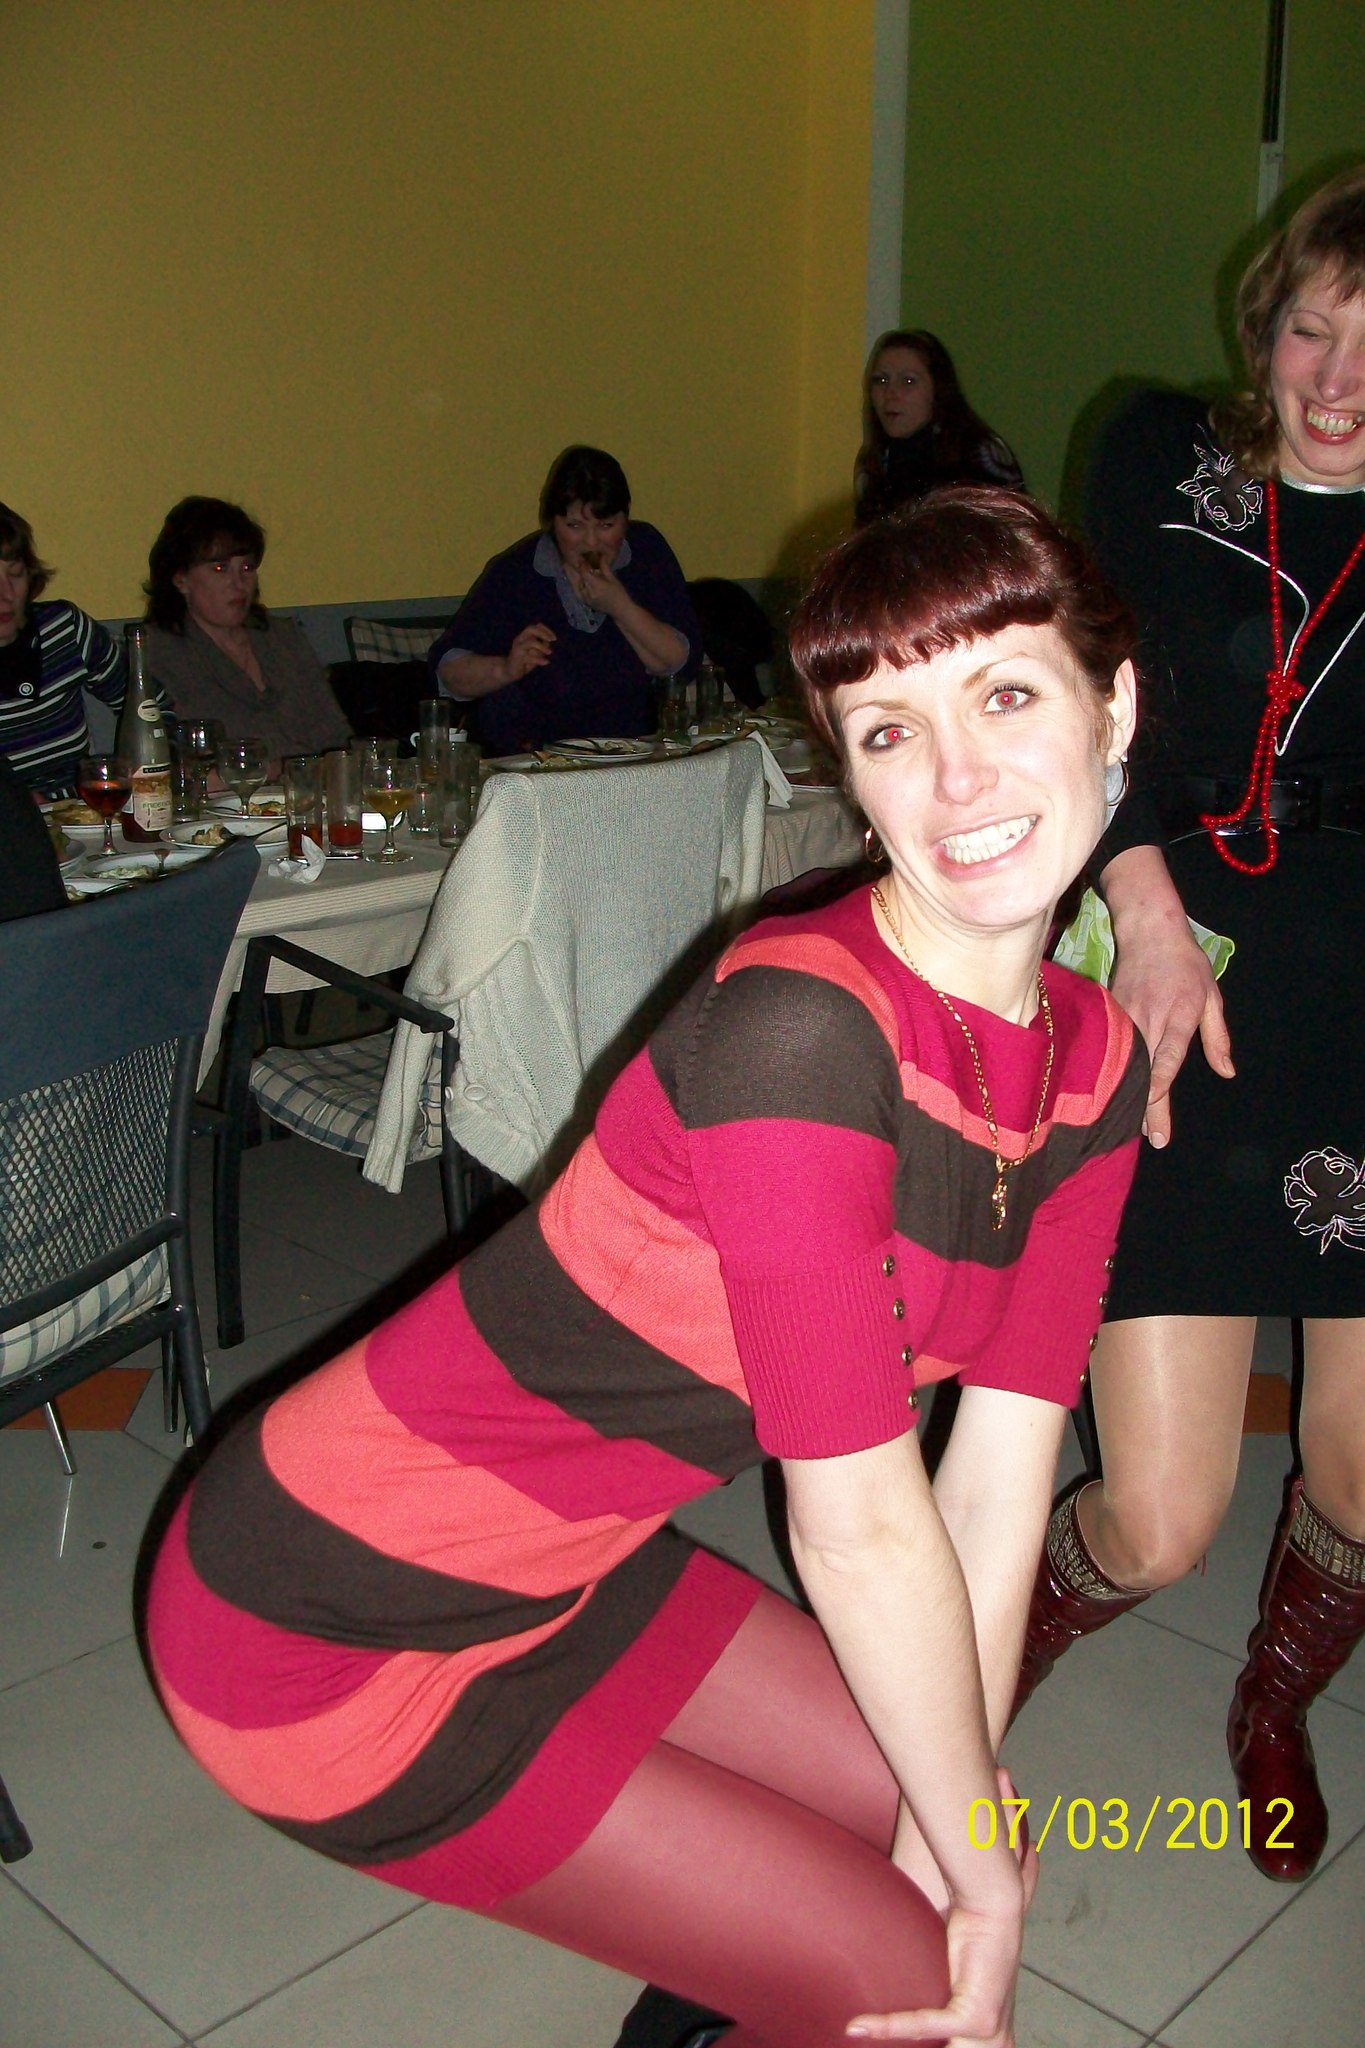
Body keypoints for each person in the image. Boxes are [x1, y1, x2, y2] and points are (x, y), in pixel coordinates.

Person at [146, 489, 1144, 2048]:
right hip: (320, 1614)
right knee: (907, 1976)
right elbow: (860, 1534)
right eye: (889, 731)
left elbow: (996, 1485)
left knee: (952, 1823)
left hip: (568, 1567)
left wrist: (964, 1833)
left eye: (1006, 696)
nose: (957, 778)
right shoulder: (799, 1033)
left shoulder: (1097, 1063)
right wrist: (965, 1875)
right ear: (847, 773)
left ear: (1113, 705)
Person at [1013, 164, 1365, 1886]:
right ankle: (971, 1656)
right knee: (1156, 1514)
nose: (1339, 380)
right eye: (1313, 329)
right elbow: (1088, 712)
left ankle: (1274, 1700)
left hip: (1357, 1003)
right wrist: (1145, 915)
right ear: (1263, 324)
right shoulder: (1161, 456)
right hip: (1179, 968)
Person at [430, 445, 701, 754]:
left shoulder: (646, 552)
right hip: (540, 757)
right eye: (574, 526)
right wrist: (506, 668)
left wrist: (619, 605)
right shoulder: (517, 574)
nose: (591, 541)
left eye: (606, 525)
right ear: (552, 522)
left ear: (626, 518)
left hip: (633, 751)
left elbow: (680, 663)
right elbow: (448, 672)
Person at [142, 497, 350, 760]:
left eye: (247, 567)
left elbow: (336, 735)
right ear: (181, 579)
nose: (238, 583)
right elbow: (171, 761)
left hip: (315, 782)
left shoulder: (283, 637)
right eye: (220, 568)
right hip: (230, 787)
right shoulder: (160, 652)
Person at [0, 502, 126, 795]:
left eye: (15, 573)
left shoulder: (63, 629)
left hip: (84, 812)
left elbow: (149, 707)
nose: (5, 594)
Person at [854, 330, 1025, 526]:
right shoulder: (875, 461)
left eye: (908, 381)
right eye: (881, 380)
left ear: (938, 389)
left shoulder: (979, 453)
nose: (890, 394)